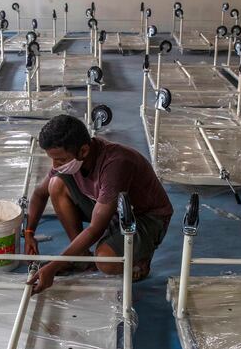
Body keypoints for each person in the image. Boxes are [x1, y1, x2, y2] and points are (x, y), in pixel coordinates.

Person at [25, 114, 173, 294]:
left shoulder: (116, 164)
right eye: (52, 159)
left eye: (60, 160)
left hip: (146, 217)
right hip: (112, 208)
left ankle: (139, 261)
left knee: (105, 261)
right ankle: (81, 256)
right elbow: (40, 194)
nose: (55, 165)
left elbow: (95, 228)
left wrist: (54, 266)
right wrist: (29, 233)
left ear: (84, 151)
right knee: (55, 184)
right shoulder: (73, 160)